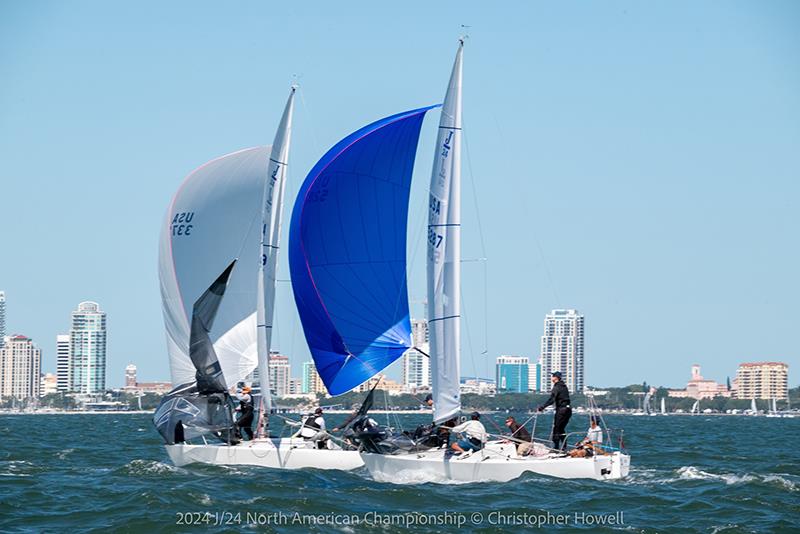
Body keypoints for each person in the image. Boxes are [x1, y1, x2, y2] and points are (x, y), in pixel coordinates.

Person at [537, 371, 571, 451]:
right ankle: (564, 447)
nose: (551, 377)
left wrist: (542, 407)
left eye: (552, 376)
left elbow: (552, 399)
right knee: (561, 429)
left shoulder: (557, 387)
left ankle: (556, 448)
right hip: (568, 410)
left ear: (556, 378)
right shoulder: (564, 386)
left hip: (562, 410)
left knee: (556, 428)